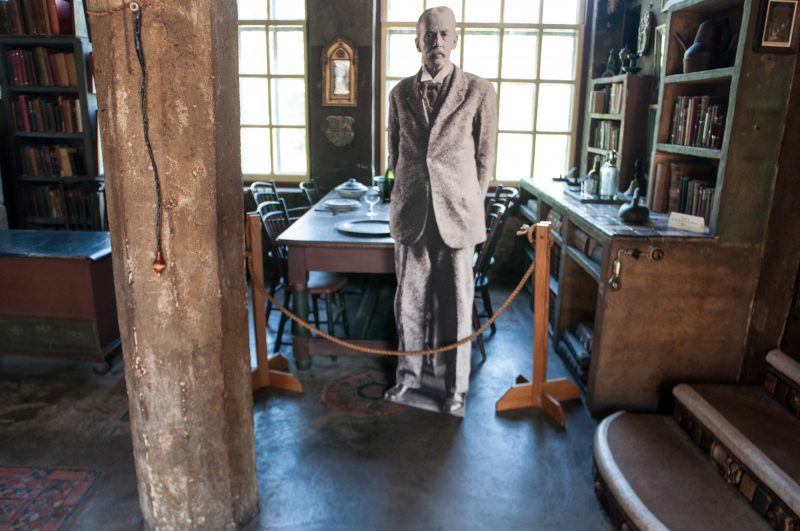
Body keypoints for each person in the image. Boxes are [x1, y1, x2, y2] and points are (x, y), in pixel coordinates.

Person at [383, 6, 498, 413]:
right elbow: (395, 156)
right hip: (412, 214)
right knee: (408, 303)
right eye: (429, 35)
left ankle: (455, 390)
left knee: (456, 304)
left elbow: (485, 161)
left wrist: (467, 201)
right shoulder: (398, 94)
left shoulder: (479, 91)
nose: (436, 43)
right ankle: (408, 379)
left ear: (455, 39)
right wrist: (409, 194)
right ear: (417, 42)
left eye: (444, 34)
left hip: (459, 215)